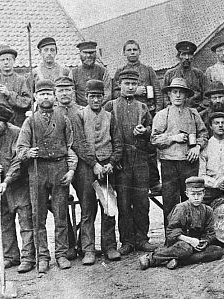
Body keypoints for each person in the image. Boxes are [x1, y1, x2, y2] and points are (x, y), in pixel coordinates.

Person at [16, 79, 77, 273]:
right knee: (38, 216)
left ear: (54, 96)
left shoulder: (63, 119)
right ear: (36, 97)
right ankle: (42, 256)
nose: (45, 97)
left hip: (59, 168)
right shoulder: (30, 121)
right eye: (41, 94)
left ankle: (61, 254)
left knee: (60, 214)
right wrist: (28, 153)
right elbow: (20, 148)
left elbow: (70, 147)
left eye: (49, 93)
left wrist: (71, 170)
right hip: (37, 170)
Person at [105, 70, 158, 255]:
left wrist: (144, 130)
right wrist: (114, 157)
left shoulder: (143, 107)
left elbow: (153, 131)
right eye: (126, 83)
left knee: (142, 201)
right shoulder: (111, 106)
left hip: (140, 159)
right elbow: (106, 135)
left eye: (133, 84)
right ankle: (127, 241)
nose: (130, 87)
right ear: (119, 85)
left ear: (137, 86)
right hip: (121, 161)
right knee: (124, 202)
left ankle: (142, 239)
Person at [0, 103, 35, 273]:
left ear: (5, 121)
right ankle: (11, 257)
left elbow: (18, 162)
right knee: (4, 223)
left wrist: (8, 180)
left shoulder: (17, 134)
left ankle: (28, 258)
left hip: (19, 185)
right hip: (1, 188)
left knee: (26, 222)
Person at [72, 79, 121, 265]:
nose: (95, 100)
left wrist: (112, 162)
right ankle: (88, 249)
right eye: (92, 96)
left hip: (107, 167)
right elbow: (79, 143)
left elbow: (117, 142)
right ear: (86, 97)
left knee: (108, 208)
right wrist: (94, 164)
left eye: (99, 96)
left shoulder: (110, 116)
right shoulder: (79, 116)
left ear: (103, 97)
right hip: (87, 168)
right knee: (87, 209)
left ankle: (109, 246)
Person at [151, 78, 208, 229]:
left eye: (181, 92)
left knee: (191, 199)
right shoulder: (162, 115)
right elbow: (154, 139)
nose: (177, 96)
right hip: (169, 162)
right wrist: (172, 138)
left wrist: (197, 148)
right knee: (170, 201)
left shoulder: (193, 114)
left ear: (186, 96)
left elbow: (203, 135)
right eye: (174, 92)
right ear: (169, 94)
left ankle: (192, 234)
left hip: (189, 162)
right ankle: (171, 237)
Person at [138, 177, 224, 270]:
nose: (196, 197)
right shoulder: (181, 208)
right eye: (193, 194)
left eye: (199, 194)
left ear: (204, 193)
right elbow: (171, 232)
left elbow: (211, 233)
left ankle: (178, 261)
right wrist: (189, 240)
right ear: (187, 194)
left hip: (197, 244)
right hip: (180, 243)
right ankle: (150, 258)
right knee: (186, 249)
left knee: (217, 251)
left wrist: (205, 242)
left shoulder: (208, 210)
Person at [53, 76, 96, 260]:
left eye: (68, 89)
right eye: (60, 90)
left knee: (88, 204)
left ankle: (87, 248)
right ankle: (69, 245)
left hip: (83, 165)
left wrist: (91, 162)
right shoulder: (51, 113)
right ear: (55, 93)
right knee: (58, 206)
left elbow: (83, 141)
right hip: (59, 164)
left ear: (73, 91)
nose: (64, 93)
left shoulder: (81, 112)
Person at [114, 40, 163, 192]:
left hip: (146, 113)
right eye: (129, 50)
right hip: (125, 114)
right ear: (124, 53)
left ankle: (154, 182)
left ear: (140, 51)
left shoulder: (148, 70)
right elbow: (115, 93)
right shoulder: (120, 71)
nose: (132, 52)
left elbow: (158, 92)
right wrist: (134, 91)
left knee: (149, 148)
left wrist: (157, 115)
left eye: (135, 49)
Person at [0, 44, 32, 128]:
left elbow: (27, 102)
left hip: (18, 123)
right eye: (2, 60)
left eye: (8, 59)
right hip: (0, 125)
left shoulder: (22, 80)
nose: (6, 62)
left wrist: (9, 94)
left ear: (14, 61)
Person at [162, 41, 208, 111]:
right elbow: (164, 95)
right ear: (178, 56)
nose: (187, 58)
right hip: (175, 111)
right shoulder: (170, 74)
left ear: (193, 57)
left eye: (189, 54)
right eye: (184, 54)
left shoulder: (199, 74)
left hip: (196, 110)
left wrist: (200, 108)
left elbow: (206, 94)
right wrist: (169, 106)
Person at [69, 41, 112, 106]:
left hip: (99, 108)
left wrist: (96, 107)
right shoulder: (73, 73)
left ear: (96, 54)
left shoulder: (103, 71)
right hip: (80, 111)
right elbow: (71, 95)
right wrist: (80, 109)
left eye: (91, 53)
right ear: (80, 54)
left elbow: (107, 93)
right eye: (85, 53)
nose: (88, 56)